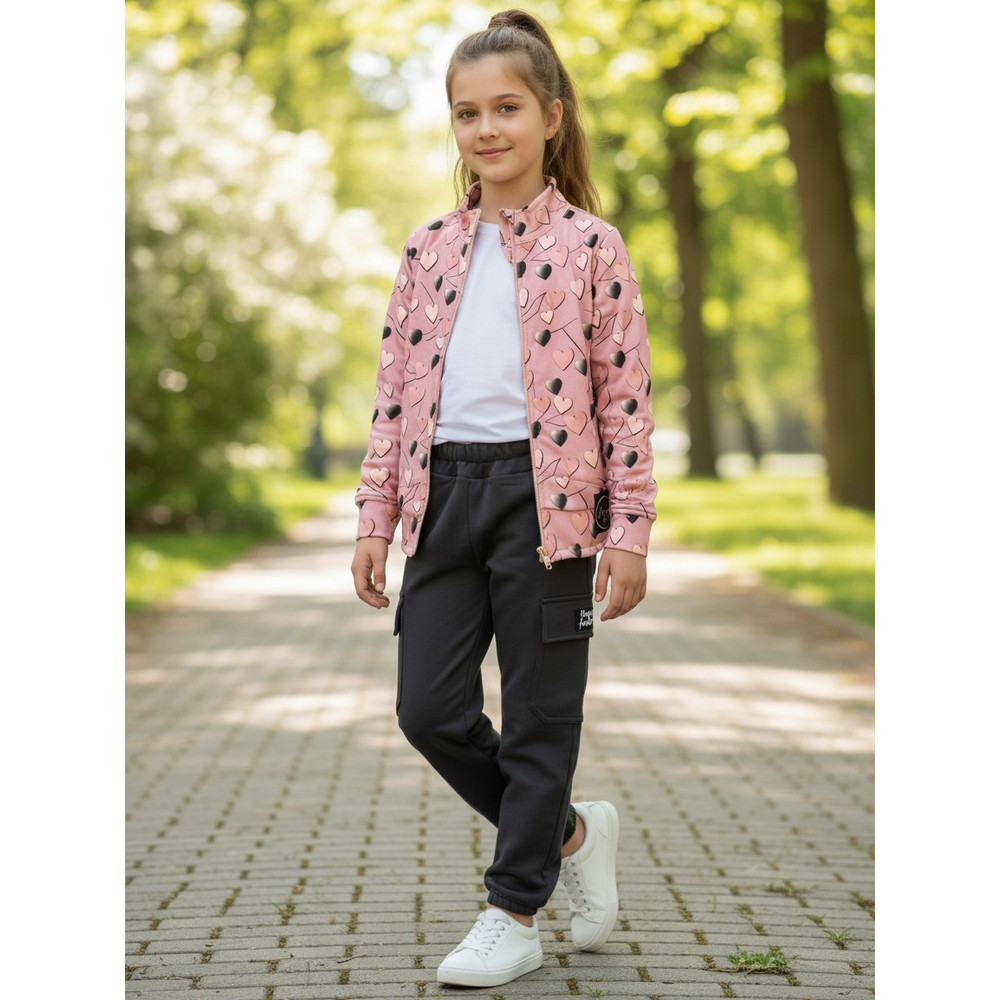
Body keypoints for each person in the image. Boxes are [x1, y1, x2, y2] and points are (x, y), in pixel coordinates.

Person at [350, 8, 657, 988]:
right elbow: (394, 393)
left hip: (548, 506)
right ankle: (569, 832)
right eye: (467, 112)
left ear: (551, 117)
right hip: (443, 498)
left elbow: (624, 398)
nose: (486, 129)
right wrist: (373, 516)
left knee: (537, 718)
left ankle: (513, 910)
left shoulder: (592, 245)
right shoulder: (427, 249)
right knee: (428, 709)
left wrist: (630, 530)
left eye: (508, 108)